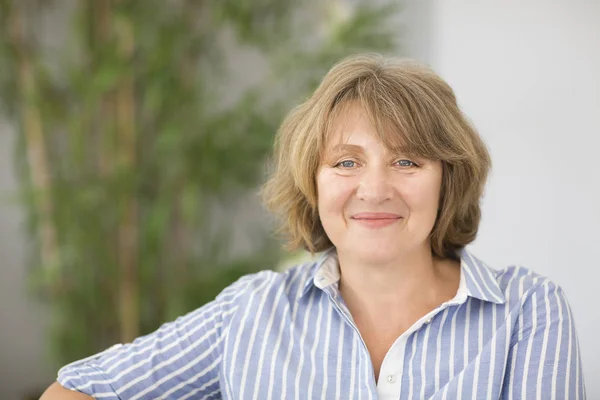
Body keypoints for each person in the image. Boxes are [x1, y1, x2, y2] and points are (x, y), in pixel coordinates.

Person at [40, 54, 585, 399]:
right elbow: (75, 391)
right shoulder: (249, 312)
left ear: (449, 178)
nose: (374, 189)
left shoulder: (528, 312)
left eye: (407, 161)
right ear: (313, 183)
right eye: (346, 162)